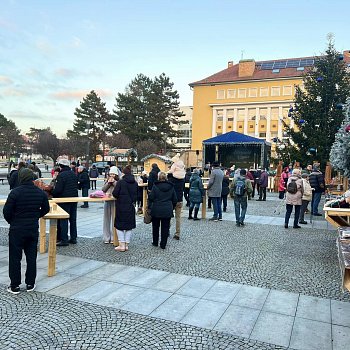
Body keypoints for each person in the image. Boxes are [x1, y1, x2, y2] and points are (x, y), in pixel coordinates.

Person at [3, 168, 50, 294]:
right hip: (32, 228)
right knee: (31, 257)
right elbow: (46, 209)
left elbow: (6, 212)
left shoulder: (15, 192)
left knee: (15, 258)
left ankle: (15, 285)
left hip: (17, 229)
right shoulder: (40, 193)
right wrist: (36, 216)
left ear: (21, 178)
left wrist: (13, 221)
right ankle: (30, 283)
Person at [52, 158, 78, 246]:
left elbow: (58, 189)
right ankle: (73, 238)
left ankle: (64, 239)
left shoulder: (61, 175)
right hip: (74, 199)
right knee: (73, 219)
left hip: (63, 200)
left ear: (61, 166)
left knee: (64, 219)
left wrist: (52, 193)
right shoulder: (73, 174)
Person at [148, 171, 177, 249]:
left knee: (155, 227)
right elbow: (175, 199)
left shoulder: (155, 186)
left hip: (156, 208)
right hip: (167, 209)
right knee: (165, 228)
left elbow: (151, 197)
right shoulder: (171, 187)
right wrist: (172, 207)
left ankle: (155, 242)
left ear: (158, 178)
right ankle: (163, 244)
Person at [112, 165, 138, 252]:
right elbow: (137, 195)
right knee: (129, 225)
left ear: (123, 173)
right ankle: (126, 245)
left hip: (121, 205)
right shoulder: (135, 183)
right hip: (130, 206)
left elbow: (115, 193)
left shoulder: (120, 182)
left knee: (119, 225)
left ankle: (121, 245)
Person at [102, 166, 121, 244]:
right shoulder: (107, 180)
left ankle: (114, 237)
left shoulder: (119, 181)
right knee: (106, 220)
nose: (112, 175)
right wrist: (108, 183)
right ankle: (106, 237)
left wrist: (113, 182)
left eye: (113, 174)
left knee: (114, 219)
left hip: (115, 201)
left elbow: (120, 188)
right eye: (111, 174)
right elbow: (103, 189)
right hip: (107, 200)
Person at [168, 170, 185, 240]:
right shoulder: (182, 180)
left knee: (168, 216)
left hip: (171, 200)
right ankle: (177, 233)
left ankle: (167, 230)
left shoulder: (170, 180)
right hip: (179, 199)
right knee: (178, 218)